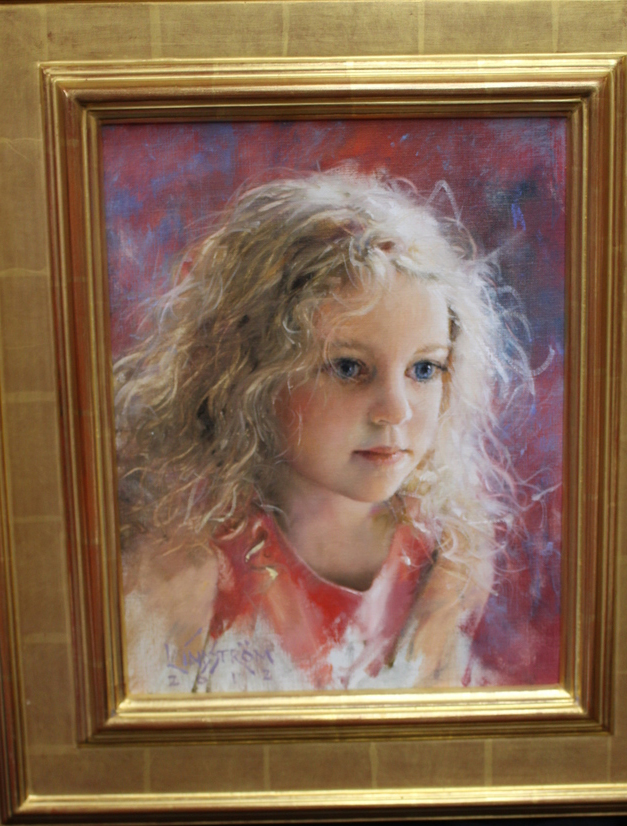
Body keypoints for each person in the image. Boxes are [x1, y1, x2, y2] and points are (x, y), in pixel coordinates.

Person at [115, 169, 533, 693]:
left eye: (424, 369)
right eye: (349, 368)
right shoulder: (188, 566)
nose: (396, 411)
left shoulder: (447, 555)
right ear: (252, 374)